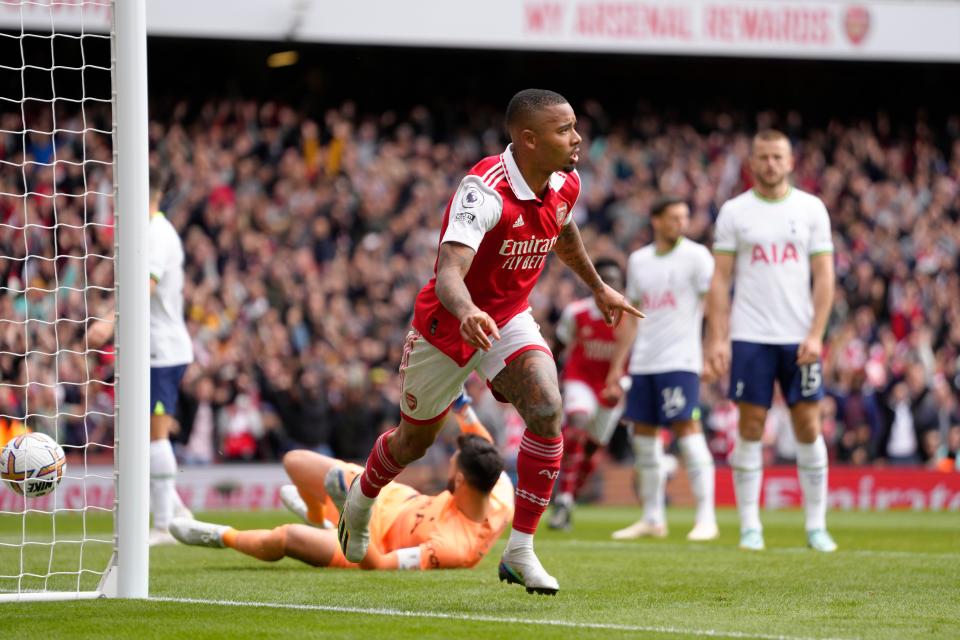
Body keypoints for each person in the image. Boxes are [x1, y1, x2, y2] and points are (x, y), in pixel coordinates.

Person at [336, 88, 642, 595]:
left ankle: (520, 551)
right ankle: (362, 496)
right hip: (447, 325)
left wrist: (597, 285)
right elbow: (449, 270)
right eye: (564, 129)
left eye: (574, 126)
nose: (577, 137)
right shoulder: (482, 191)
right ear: (527, 139)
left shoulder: (566, 181)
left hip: (508, 319)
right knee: (415, 441)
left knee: (547, 407)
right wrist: (469, 310)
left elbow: (563, 233)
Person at [171, 402, 513, 571]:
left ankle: (221, 535)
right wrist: (458, 399)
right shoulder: (498, 489)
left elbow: (380, 565)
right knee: (294, 463)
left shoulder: (455, 548)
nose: (447, 464)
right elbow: (481, 441)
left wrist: (357, 535)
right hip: (392, 497)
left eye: (452, 463)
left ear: (461, 480)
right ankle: (321, 517)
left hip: (372, 541)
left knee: (287, 538)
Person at [704, 129, 838, 553]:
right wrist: (719, 339)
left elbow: (825, 277)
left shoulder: (811, 209)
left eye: (778, 157)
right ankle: (750, 527)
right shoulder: (734, 212)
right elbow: (720, 280)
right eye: (762, 157)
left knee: (807, 426)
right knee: (750, 427)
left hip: (799, 338)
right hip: (750, 337)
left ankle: (816, 527)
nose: (770, 165)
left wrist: (817, 333)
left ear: (791, 161)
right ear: (752, 162)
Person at [605, 196, 718, 542]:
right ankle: (653, 518)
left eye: (685, 217)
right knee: (644, 440)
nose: (681, 223)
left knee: (688, 432)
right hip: (644, 363)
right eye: (673, 218)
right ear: (655, 220)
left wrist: (714, 345)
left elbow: (715, 304)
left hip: (680, 361)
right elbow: (632, 317)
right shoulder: (639, 261)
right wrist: (616, 366)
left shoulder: (697, 257)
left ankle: (706, 518)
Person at [89, 173, 194, 545]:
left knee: (154, 433)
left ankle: (164, 524)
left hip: (161, 350)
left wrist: (106, 321)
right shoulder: (148, 231)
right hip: (152, 347)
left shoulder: (156, 235)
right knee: (143, 433)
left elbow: (144, 290)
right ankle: (178, 512)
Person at [548, 258, 626, 531]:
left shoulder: (629, 318)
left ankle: (569, 497)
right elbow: (558, 346)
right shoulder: (576, 313)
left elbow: (636, 357)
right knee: (577, 427)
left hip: (611, 388)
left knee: (591, 451)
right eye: (604, 280)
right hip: (580, 381)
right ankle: (563, 501)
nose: (609, 285)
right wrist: (546, 375)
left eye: (614, 280)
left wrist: (624, 386)